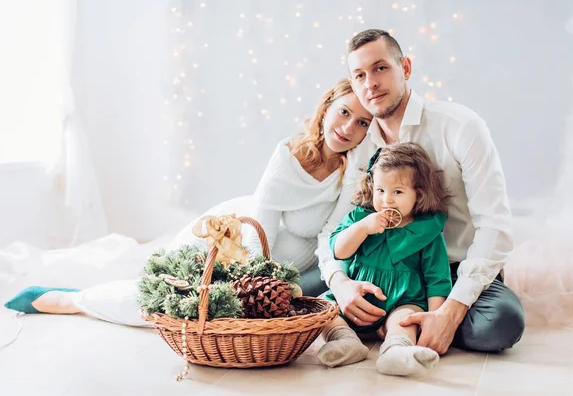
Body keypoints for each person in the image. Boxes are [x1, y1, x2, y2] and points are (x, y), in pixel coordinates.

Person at [4, 78, 373, 323]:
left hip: (278, 280)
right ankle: (70, 300)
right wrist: (255, 280)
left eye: (362, 123)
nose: (348, 127)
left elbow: (330, 239)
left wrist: (291, 290)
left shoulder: (353, 172)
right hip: (236, 248)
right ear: (326, 108)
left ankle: (87, 297)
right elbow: (260, 230)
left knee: (212, 318)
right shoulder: (288, 156)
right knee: (165, 308)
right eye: (344, 112)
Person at [316, 29, 525, 354]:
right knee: (310, 297)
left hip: (453, 267)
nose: (370, 83)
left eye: (380, 68)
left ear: (406, 68)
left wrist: (450, 311)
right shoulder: (362, 146)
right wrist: (341, 284)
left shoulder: (460, 126)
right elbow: (335, 228)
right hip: (380, 268)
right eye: (359, 75)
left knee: (500, 325)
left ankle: (401, 324)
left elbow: (495, 226)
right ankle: (391, 322)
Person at [318, 142, 453, 376]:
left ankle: (395, 351)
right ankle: (345, 340)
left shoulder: (427, 231)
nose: (386, 200)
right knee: (323, 309)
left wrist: (433, 319)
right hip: (355, 299)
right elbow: (338, 251)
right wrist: (362, 228)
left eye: (397, 192)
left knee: (406, 319)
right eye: (380, 191)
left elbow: (437, 279)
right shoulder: (361, 217)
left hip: (403, 300)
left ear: (418, 194)